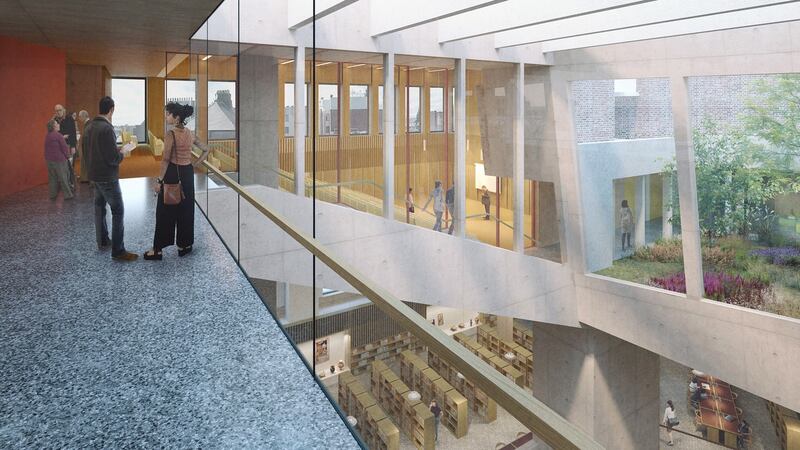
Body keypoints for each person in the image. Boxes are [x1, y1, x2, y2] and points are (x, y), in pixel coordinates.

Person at [143, 102, 209, 260]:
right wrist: (195, 164)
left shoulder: (171, 134)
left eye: (168, 114)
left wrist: (159, 181)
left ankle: (157, 249)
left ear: (176, 117)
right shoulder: (190, 133)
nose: (166, 117)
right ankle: (184, 246)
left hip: (173, 174)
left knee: (164, 212)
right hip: (187, 174)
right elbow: (206, 149)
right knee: (186, 211)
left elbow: (165, 160)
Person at [86, 96, 138, 261]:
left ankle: (102, 240)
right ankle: (118, 251)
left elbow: (93, 150)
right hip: (107, 177)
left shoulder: (90, 126)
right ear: (112, 109)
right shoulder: (107, 129)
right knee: (118, 211)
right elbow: (112, 159)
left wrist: (115, 150)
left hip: (95, 175)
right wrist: (122, 152)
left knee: (100, 209)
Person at [44, 119, 74, 200]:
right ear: (54, 126)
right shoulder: (58, 135)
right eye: (57, 123)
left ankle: (53, 195)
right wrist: (68, 156)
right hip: (59, 160)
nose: (58, 125)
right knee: (63, 178)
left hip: (49, 160)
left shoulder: (48, 135)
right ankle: (68, 195)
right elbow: (64, 148)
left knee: (52, 178)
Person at [54, 104, 77, 189]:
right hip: (58, 146)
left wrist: (73, 146)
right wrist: (62, 136)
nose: (58, 112)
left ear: (63, 110)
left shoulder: (69, 119)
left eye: (60, 110)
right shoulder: (54, 120)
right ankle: (63, 183)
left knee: (69, 166)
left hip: (68, 145)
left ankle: (71, 184)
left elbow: (73, 132)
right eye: (56, 111)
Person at [77, 110, 91, 183]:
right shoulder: (87, 124)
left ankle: (89, 180)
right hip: (87, 149)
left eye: (79, 116)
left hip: (88, 149)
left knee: (88, 164)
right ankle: (87, 179)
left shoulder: (89, 124)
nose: (79, 118)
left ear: (84, 116)